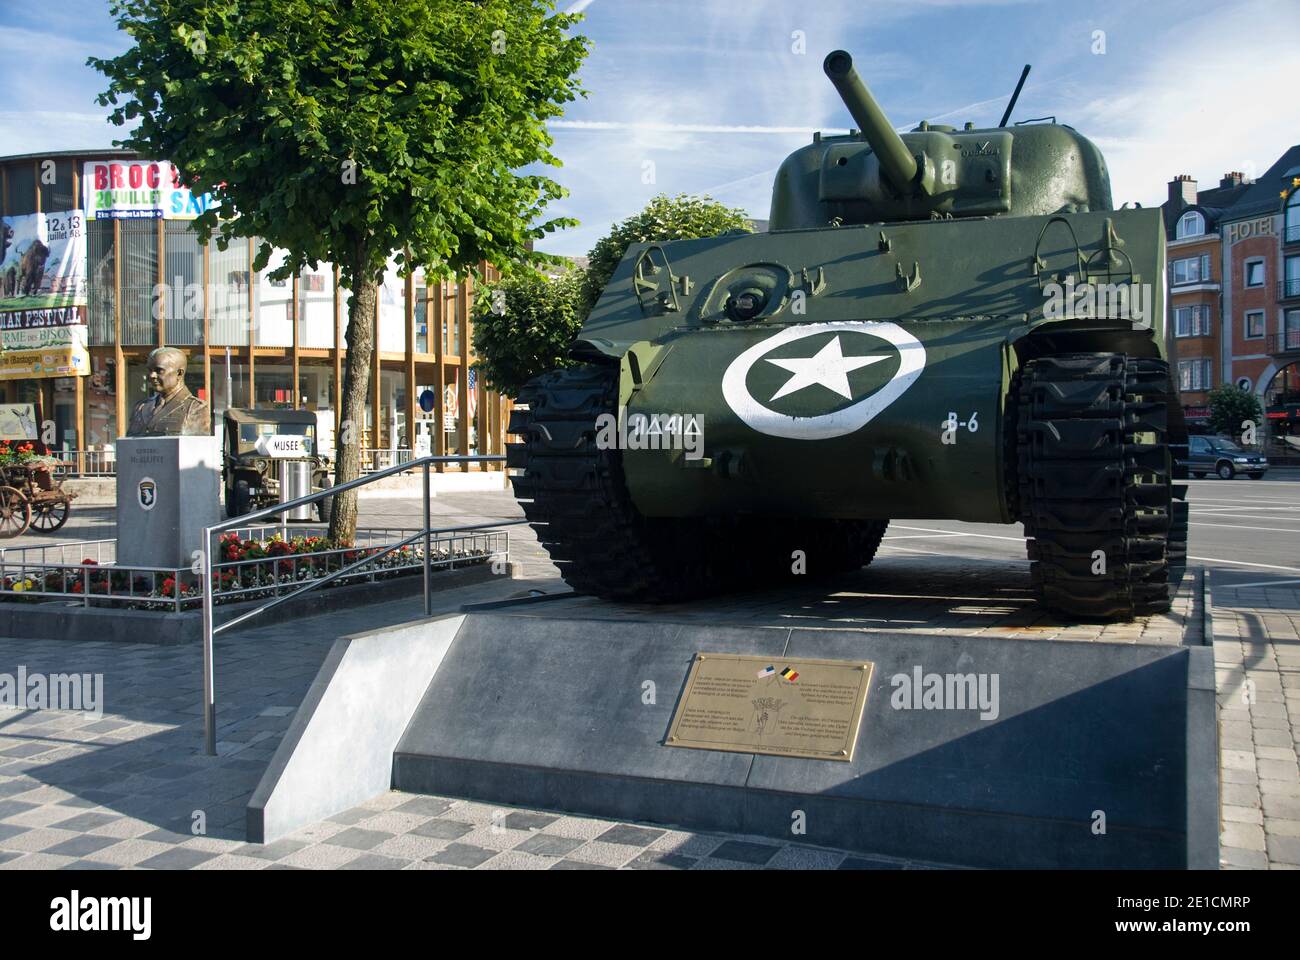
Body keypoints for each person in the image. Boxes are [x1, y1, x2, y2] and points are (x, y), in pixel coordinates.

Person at [125, 347, 210, 437]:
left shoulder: (196, 408)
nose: (152, 375)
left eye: (159, 370)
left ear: (179, 373)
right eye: (150, 370)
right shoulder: (140, 407)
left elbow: (197, 447)